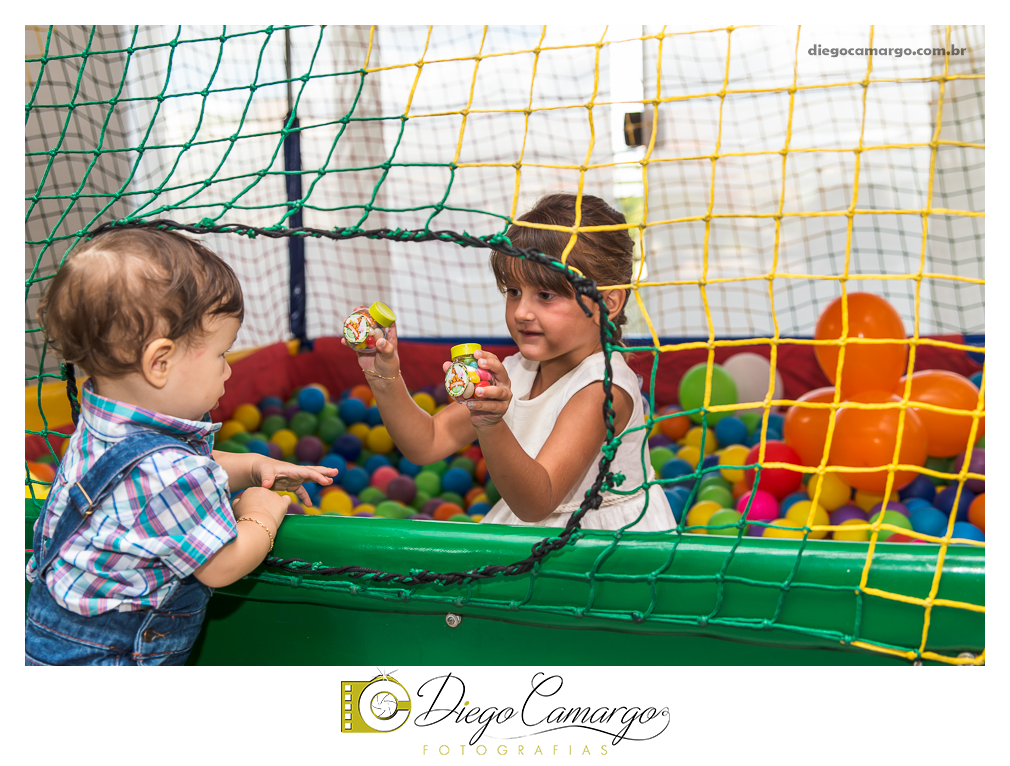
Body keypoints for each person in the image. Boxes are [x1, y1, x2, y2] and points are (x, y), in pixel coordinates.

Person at [25, 227, 338, 665]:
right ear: (160, 362)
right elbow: (223, 565)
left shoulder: (101, 418)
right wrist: (262, 515)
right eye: (221, 355)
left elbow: (153, 480)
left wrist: (250, 465)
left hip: (49, 637)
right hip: (114, 658)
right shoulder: (174, 473)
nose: (228, 371)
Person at [346, 193, 674, 532]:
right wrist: (383, 375)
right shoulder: (517, 370)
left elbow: (538, 501)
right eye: (513, 291)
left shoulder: (602, 388)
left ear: (608, 302)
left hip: (604, 547)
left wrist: (490, 424)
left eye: (545, 296)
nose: (521, 312)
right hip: (533, 527)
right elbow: (427, 442)